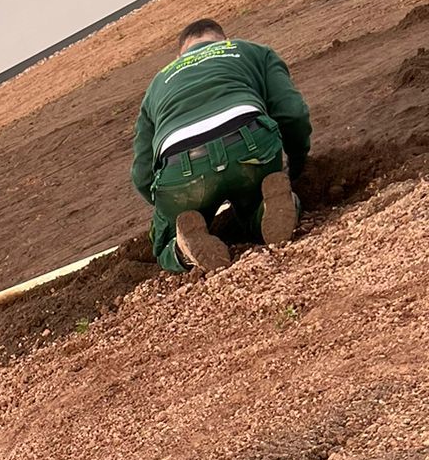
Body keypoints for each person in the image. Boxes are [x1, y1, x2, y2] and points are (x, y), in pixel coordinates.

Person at [131, 18, 312, 273]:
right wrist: (297, 164)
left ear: (180, 55)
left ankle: (182, 247)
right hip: (249, 144)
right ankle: (267, 209)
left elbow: (141, 173)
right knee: (250, 205)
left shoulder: (158, 83)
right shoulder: (251, 51)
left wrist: (167, 204)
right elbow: (292, 113)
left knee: (164, 242)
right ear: (223, 40)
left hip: (181, 165)